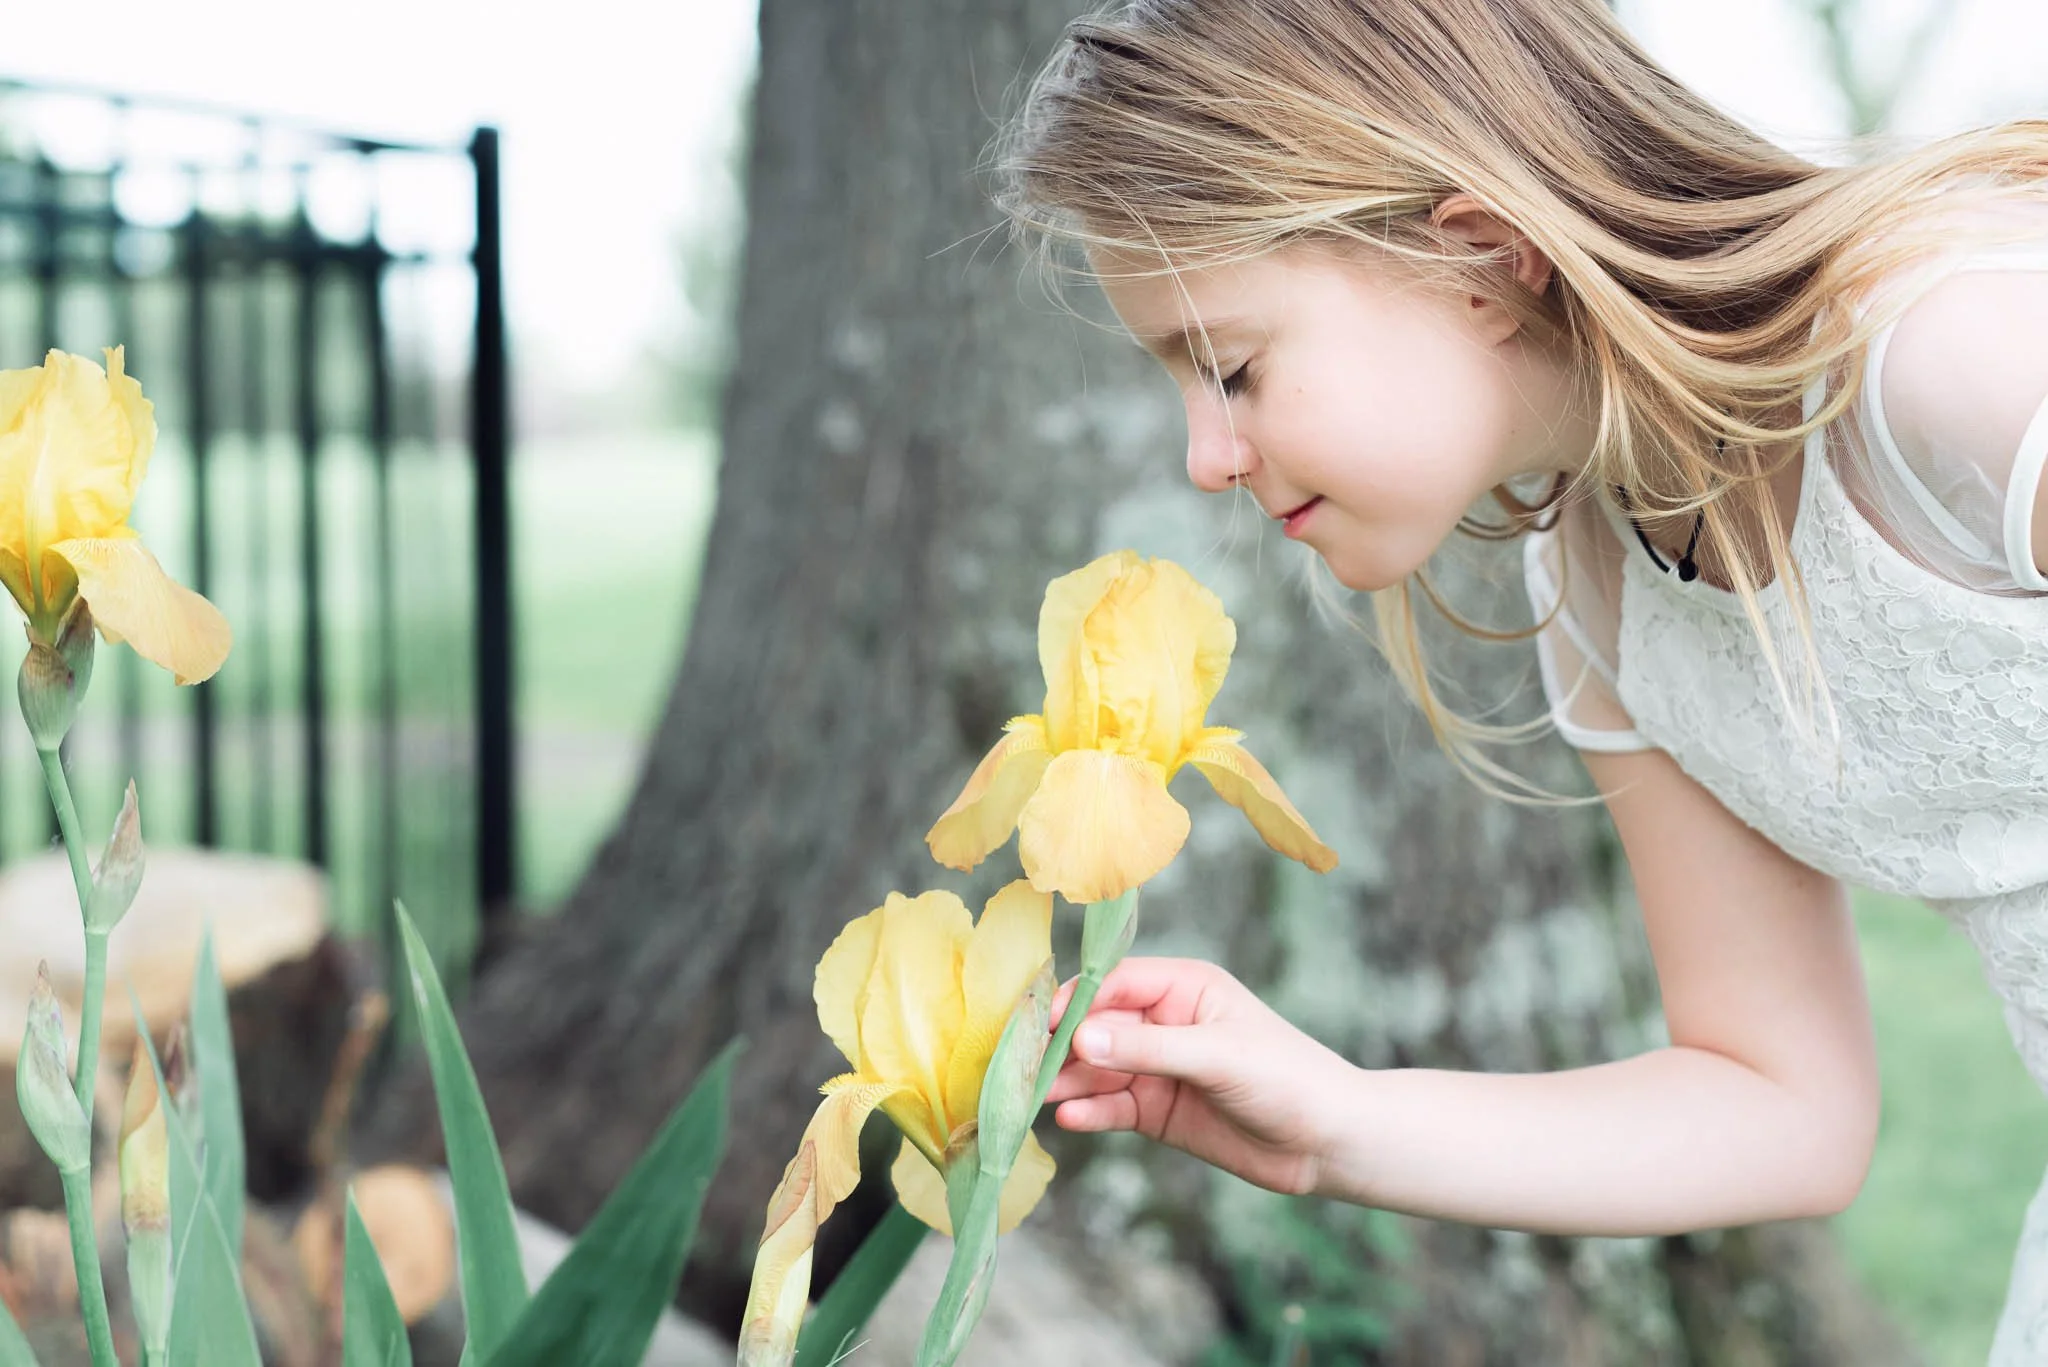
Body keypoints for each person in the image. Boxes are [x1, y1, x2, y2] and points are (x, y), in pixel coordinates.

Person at [1002, 0, 2048, 1358]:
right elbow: (1779, 1099)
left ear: (1481, 258)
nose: (1208, 454)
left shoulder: (1957, 372)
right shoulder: (1605, 591)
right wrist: (1336, 1117)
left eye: (1236, 368)